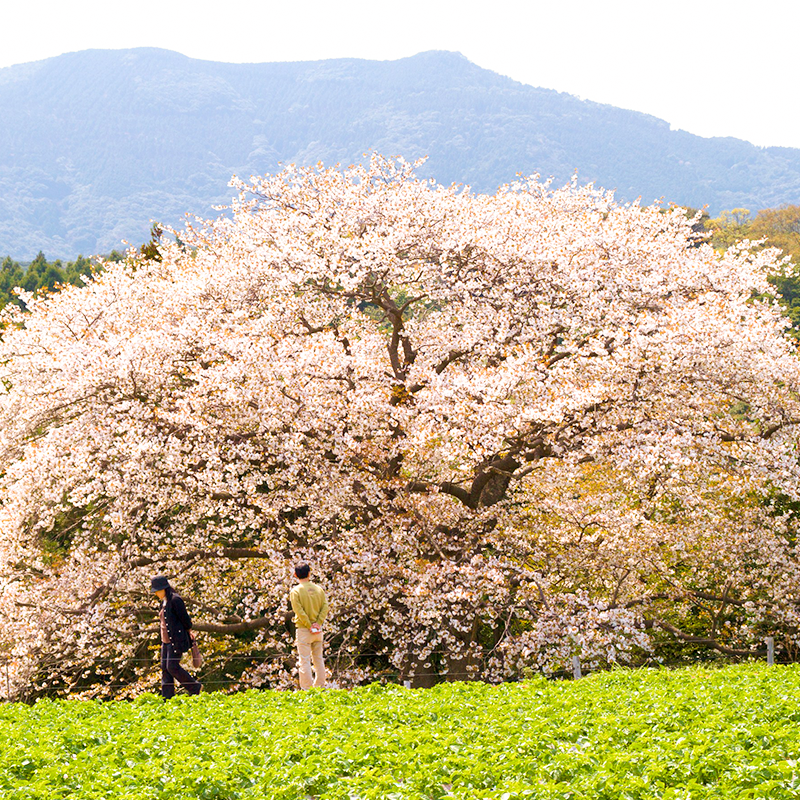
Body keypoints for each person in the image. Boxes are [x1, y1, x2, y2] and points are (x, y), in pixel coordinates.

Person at [150, 575, 202, 698]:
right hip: (165, 641)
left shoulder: (175, 600)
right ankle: (167, 698)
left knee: (172, 667)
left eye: (158, 591)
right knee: (165, 669)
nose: (156, 594)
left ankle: (195, 687)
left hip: (176, 640)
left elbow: (186, 619)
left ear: (164, 589)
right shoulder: (163, 602)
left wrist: (189, 631)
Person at [289, 562, 329, 689]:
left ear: (295, 575)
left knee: (304, 660)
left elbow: (299, 611)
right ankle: (320, 686)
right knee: (318, 659)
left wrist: (309, 625)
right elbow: (325, 607)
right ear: (309, 573)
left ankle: (307, 688)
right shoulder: (319, 589)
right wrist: (318, 623)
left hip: (303, 629)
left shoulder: (295, 591)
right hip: (318, 630)